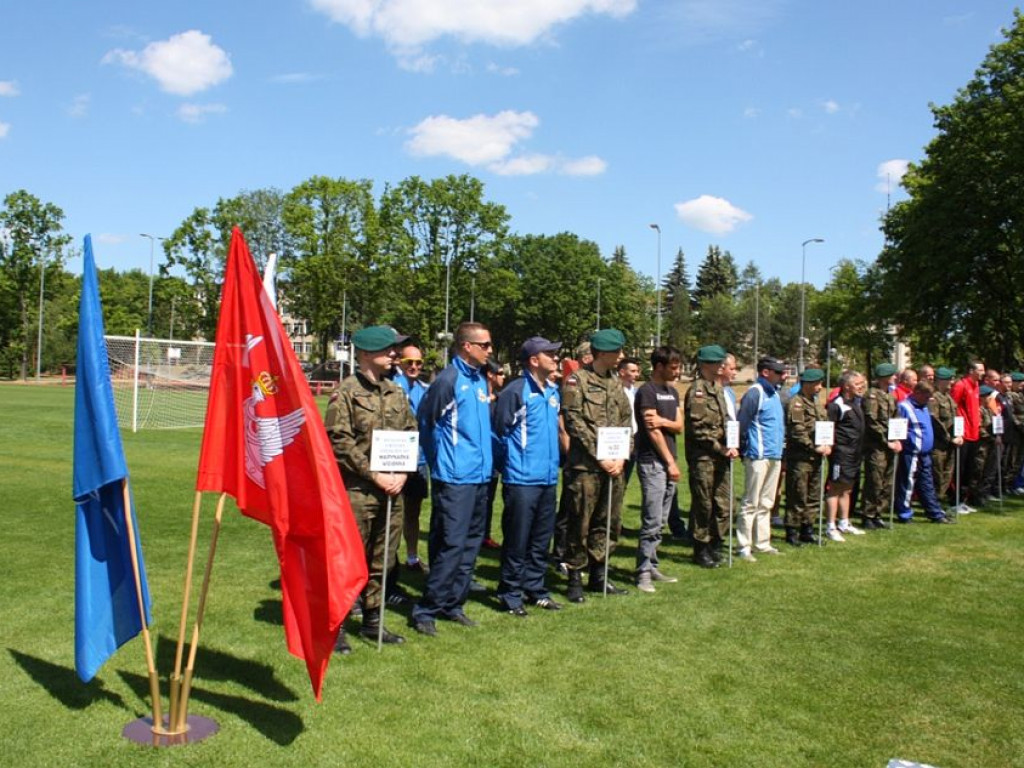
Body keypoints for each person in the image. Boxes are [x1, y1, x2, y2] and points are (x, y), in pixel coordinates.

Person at [325, 325, 416, 647]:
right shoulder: (347, 391)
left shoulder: (396, 391)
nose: (395, 354)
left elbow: (410, 433)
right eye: (388, 349)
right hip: (358, 491)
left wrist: (403, 473)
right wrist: (374, 475)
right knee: (348, 559)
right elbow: (339, 441)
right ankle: (335, 624)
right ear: (365, 353)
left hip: (392, 489)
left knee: (384, 558)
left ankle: (373, 620)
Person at [411, 322, 494, 637]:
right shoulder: (449, 379)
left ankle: (453, 604)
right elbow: (426, 423)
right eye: (484, 345)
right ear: (466, 347)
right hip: (455, 477)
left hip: (480, 476)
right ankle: (426, 609)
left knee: (471, 544)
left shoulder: (478, 380)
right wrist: (441, 463)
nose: (489, 350)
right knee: (451, 544)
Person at [493, 337, 563, 615]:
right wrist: (511, 464)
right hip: (521, 480)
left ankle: (536, 588)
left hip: (547, 478)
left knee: (540, 539)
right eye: (550, 355)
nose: (555, 359)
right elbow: (499, 431)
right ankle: (510, 593)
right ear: (534, 360)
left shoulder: (553, 391)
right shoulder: (516, 391)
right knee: (517, 540)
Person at [561, 328, 633, 602]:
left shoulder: (615, 382)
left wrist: (621, 456)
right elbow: (574, 421)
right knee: (580, 522)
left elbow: (626, 420)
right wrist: (600, 455)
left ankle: (599, 574)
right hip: (586, 467)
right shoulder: (577, 381)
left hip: (613, 465)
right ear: (603, 353)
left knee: (609, 521)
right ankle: (575, 577)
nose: (621, 356)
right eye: (618, 351)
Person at [633, 346, 683, 592]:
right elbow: (652, 431)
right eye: (673, 367)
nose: (677, 371)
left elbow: (679, 426)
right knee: (652, 519)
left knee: (662, 519)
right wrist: (670, 461)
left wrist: (665, 421)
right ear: (659, 367)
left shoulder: (672, 392)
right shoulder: (647, 391)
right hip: (652, 461)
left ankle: (652, 563)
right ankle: (642, 572)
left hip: (668, 461)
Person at [683, 344, 737, 568]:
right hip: (704, 457)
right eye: (717, 362)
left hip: (721, 455)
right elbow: (698, 429)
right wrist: (720, 447)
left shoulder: (717, 388)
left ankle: (716, 542)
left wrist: (731, 444)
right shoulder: (698, 391)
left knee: (725, 503)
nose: (722, 366)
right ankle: (701, 547)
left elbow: (724, 421)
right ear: (705, 364)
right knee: (703, 504)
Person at [735, 356, 786, 562]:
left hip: (775, 454)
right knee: (751, 501)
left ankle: (762, 542)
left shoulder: (775, 393)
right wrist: (744, 449)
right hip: (758, 455)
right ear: (765, 372)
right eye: (778, 372)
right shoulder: (755, 393)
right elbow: (743, 423)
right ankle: (744, 546)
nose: (783, 375)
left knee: (767, 501)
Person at [894, 380, 954, 524]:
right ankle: (904, 513)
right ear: (917, 393)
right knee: (907, 483)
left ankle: (934, 512)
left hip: (925, 453)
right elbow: (899, 429)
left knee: (927, 483)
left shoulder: (925, 407)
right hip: (911, 452)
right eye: (926, 397)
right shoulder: (904, 407)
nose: (928, 400)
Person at [393, 343, 430, 574]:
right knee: (393, 514)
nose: (414, 367)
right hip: (396, 460)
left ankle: (412, 557)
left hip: (420, 461)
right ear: (400, 363)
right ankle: (390, 560)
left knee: (413, 513)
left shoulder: (424, 389)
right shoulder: (393, 388)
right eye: (409, 362)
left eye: (418, 363)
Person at [783, 368, 831, 546]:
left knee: (813, 494)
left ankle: (807, 528)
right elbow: (797, 431)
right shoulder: (796, 403)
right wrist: (813, 447)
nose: (820, 387)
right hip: (801, 457)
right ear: (807, 384)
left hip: (817, 456)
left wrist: (827, 444)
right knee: (798, 494)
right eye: (817, 384)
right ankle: (792, 530)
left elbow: (824, 425)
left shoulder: (816, 403)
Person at [824, 370, 866, 541]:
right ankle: (830, 525)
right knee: (835, 488)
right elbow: (828, 428)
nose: (861, 387)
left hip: (855, 453)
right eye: (857, 384)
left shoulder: (856, 403)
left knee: (847, 489)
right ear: (847, 386)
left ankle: (844, 521)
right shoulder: (836, 405)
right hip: (841, 454)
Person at [861, 363, 902, 529]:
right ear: (885, 377)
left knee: (887, 481)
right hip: (877, 446)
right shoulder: (872, 395)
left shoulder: (890, 396)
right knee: (875, 481)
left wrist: (898, 438)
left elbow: (896, 418)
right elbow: (872, 421)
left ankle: (879, 512)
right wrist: (887, 441)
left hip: (891, 445)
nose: (895, 377)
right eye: (892, 374)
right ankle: (868, 514)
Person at [951, 360, 984, 513]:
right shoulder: (961, 385)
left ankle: (963, 500)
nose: (982, 373)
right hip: (963, 433)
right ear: (971, 370)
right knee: (960, 468)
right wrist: (958, 431)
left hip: (974, 433)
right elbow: (954, 406)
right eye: (980, 370)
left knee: (969, 469)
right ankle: (954, 501)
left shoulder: (976, 386)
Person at [928, 366, 963, 512]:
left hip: (950, 444)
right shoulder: (934, 397)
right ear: (940, 380)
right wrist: (950, 438)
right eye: (949, 379)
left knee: (948, 474)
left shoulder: (948, 397)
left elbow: (955, 418)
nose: (952, 382)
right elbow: (935, 421)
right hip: (939, 444)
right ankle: (934, 505)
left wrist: (959, 434)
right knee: (937, 474)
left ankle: (939, 503)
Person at [481, 360, 507, 550]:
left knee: (489, 500)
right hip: (480, 459)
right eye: (500, 373)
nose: (503, 377)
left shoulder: (500, 398)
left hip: (495, 459)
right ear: (490, 375)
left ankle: (485, 535)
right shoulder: (480, 398)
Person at [618, 357, 641, 484]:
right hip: (620, 439)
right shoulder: (616, 390)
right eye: (632, 371)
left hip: (635, 439)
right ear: (622, 372)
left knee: (625, 480)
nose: (636, 374)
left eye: (637, 371)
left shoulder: (636, 392)